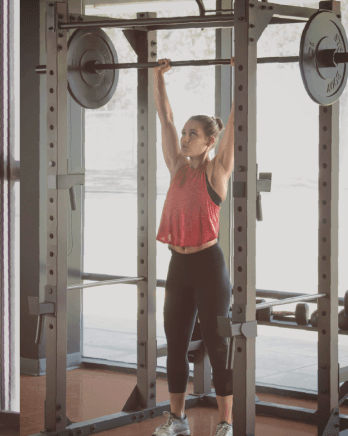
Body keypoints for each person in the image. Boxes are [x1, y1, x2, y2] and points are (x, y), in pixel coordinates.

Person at [149, 57, 237, 436]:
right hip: (178, 266)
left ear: (210, 141)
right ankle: (177, 419)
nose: (184, 138)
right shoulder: (176, 168)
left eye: (192, 134)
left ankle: (225, 423)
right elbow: (165, 119)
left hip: (208, 266)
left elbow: (237, 124)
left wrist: (241, 74)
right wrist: (158, 79)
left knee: (218, 348)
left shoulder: (216, 171)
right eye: (185, 133)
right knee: (176, 344)